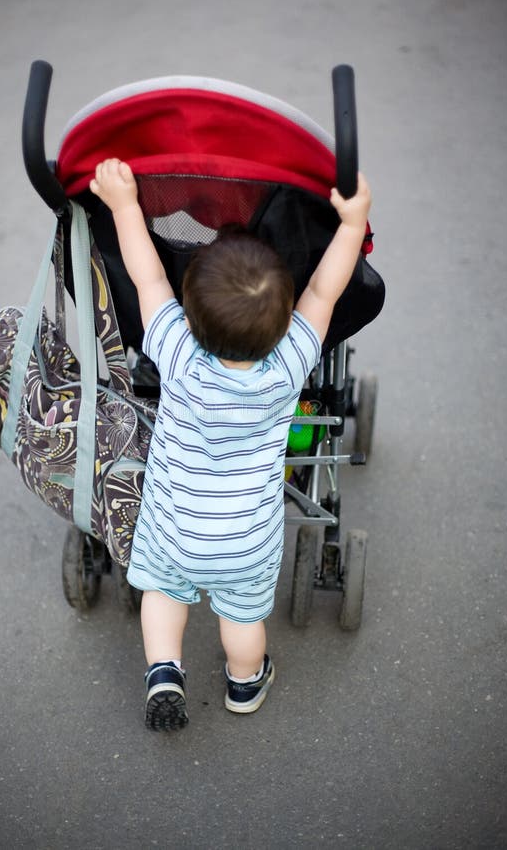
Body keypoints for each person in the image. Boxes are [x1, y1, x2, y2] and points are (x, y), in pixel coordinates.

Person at [90, 159, 371, 731]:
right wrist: (350, 225)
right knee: (242, 617)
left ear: (190, 317)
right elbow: (323, 290)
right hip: (245, 537)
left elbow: (149, 279)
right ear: (282, 321)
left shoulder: (174, 353)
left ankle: (165, 671)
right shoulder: (289, 366)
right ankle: (246, 681)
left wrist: (123, 206)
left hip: (174, 526)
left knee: (164, 596)